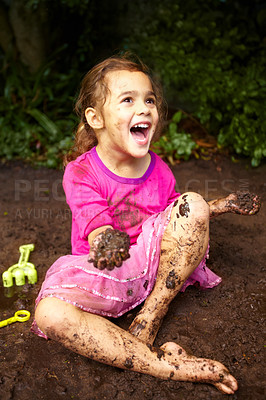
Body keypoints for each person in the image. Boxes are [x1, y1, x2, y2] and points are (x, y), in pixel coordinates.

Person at [32, 54, 260, 395]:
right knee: (49, 313)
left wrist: (220, 206)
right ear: (96, 119)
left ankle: (149, 317)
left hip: (160, 271)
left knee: (193, 201)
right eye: (128, 100)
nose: (145, 108)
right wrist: (107, 241)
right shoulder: (81, 172)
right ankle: (165, 363)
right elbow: (96, 226)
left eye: (149, 99)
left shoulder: (160, 169)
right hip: (111, 273)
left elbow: (178, 218)